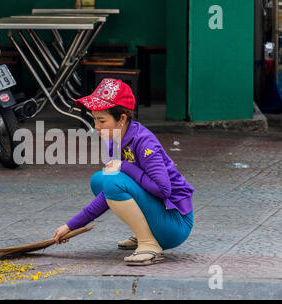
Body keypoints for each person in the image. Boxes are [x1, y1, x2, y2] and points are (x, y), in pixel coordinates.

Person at [53, 79, 194, 266]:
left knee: (112, 180)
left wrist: (125, 167)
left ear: (122, 119)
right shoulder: (114, 139)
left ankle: (149, 244)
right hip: (159, 219)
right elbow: (108, 194)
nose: (96, 127)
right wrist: (71, 225)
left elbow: (163, 190)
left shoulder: (144, 142)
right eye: (94, 119)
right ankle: (143, 233)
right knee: (100, 180)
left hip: (175, 223)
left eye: (102, 120)